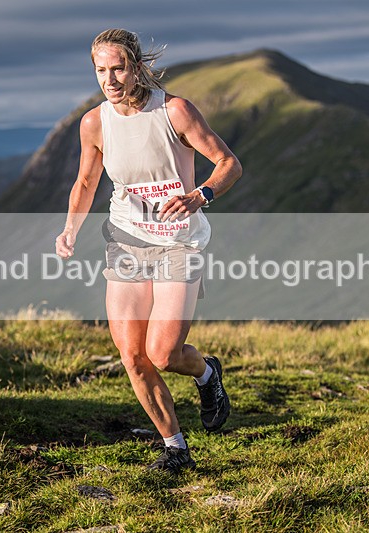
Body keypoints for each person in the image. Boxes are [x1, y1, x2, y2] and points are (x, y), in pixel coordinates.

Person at [55, 28, 242, 473]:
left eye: (118, 67)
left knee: (163, 354)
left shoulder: (174, 110)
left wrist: (200, 196)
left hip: (179, 240)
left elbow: (229, 163)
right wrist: (69, 231)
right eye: (101, 70)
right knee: (133, 356)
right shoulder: (95, 122)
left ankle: (206, 374)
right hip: (125, 238)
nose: (110, 79)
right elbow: (86, 182)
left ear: (137, 67)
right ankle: (175, 447)